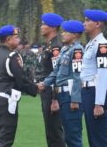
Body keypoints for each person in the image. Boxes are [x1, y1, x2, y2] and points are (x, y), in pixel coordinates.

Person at [0, 25, 44, 147]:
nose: (18, 40)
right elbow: (21, 80)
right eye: (16, 37)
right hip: (6, 99)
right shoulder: (11, 56)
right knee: (6, 138)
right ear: (9, 40)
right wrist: (35, 88)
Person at [43, 20, 84, 147]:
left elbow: (78, 76)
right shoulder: (65, 50)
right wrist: (44, 84)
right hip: (63, 95)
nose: (62, 34)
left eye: (66, 31)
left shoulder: (77, 51)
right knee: (68, 135)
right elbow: (56, 72)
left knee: (73, 136)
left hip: (70, 95)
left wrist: (75, 100)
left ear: (75, 35)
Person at [80, 9, 107, 147]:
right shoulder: (91, 43)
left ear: (97, 24)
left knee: (99, 137)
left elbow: (103, 75)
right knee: (92, 136)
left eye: (87, 20)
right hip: (87, 92)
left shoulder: (102, 45)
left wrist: (99, 103)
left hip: (94, 92)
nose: (84, 23)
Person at [39, 13, 65, 147]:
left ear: (53, 27)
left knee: (55, 131)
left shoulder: (56, 47)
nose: (41, 26)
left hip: (52, 93)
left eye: (44, 24)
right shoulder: (49, 45)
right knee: (50, 131)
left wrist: (55, 99)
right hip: (46, 92)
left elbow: (58, 74)